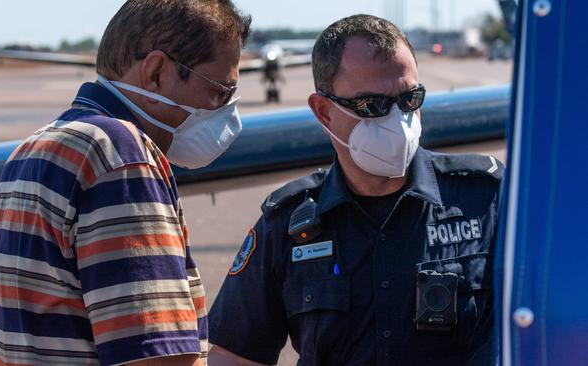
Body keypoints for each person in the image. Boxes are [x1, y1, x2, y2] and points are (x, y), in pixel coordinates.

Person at [208, 14, 502, 366]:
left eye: (409, 100)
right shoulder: (287, 226)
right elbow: (233, 356)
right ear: (324, 112)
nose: (398, 121)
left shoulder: (488, 200)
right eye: (372, 107)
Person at [0, 1, 250, 365]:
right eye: (219, 91)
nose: (224, 110)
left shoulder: (34, 149)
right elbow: (154, 356)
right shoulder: (121, 157)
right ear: (157, 72)